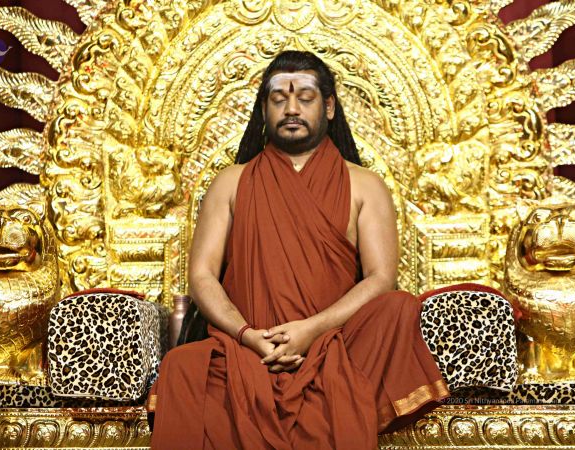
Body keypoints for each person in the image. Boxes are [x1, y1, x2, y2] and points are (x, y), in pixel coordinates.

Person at [147, 50, 449, 450]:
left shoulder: (364, 185)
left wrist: (311, 331)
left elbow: (381, 278)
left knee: (398, 306)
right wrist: (249, 336)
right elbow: (202, 274)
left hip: (334, 346)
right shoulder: (231, 182)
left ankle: (327, 383)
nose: (291, 109)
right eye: (279, 99)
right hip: (246, 349)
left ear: (329, 106)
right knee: (182, 366)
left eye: (305, 98)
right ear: (264, 109)